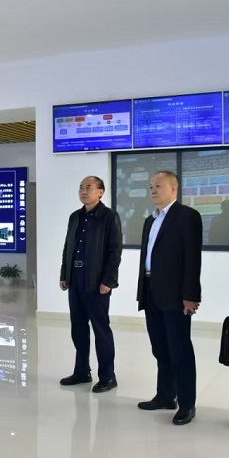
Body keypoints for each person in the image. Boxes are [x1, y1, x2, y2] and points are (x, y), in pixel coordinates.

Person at [136, 171, 203, 426]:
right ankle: (165, 396)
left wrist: (190, 295)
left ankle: (187, 404)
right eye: (151, 186)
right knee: (160, 347)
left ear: (174, 189)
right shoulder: (150, 220)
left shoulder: (187, 216)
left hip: (176, 294)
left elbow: (192, 258)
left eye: (159, 186)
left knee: (180, 350)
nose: (153, 190)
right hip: (151, 289)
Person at [59, 176, 123, 393]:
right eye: (81, 188)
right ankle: (81, 371)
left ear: (101, 192)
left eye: (88, 187)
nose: (84, 191)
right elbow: (67, 247)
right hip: (75, 279)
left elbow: (115, 251)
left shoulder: (109, 217)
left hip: (97, 282)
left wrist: (108, 280)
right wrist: (64, 274)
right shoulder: (74, 217)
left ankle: (108, 376)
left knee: (100, 329)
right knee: (78, 328)